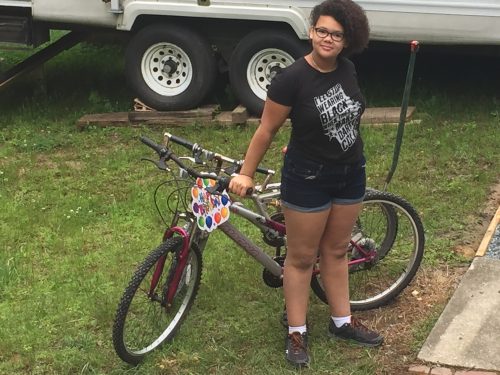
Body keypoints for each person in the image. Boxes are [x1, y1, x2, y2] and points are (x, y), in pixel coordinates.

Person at [229, 0, 383, 367]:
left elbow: (347, 116)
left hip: (349, 174)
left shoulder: (347, 69)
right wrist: (246, 173)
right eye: (322, 31)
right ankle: (297, 332)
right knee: (300, 258)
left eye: (337, 34)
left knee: (337, 250)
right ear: (311, 32)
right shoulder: (290, 79)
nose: (328, 39)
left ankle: (342, 322)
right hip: (307, 178)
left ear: (347, 41)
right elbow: (267, 129)